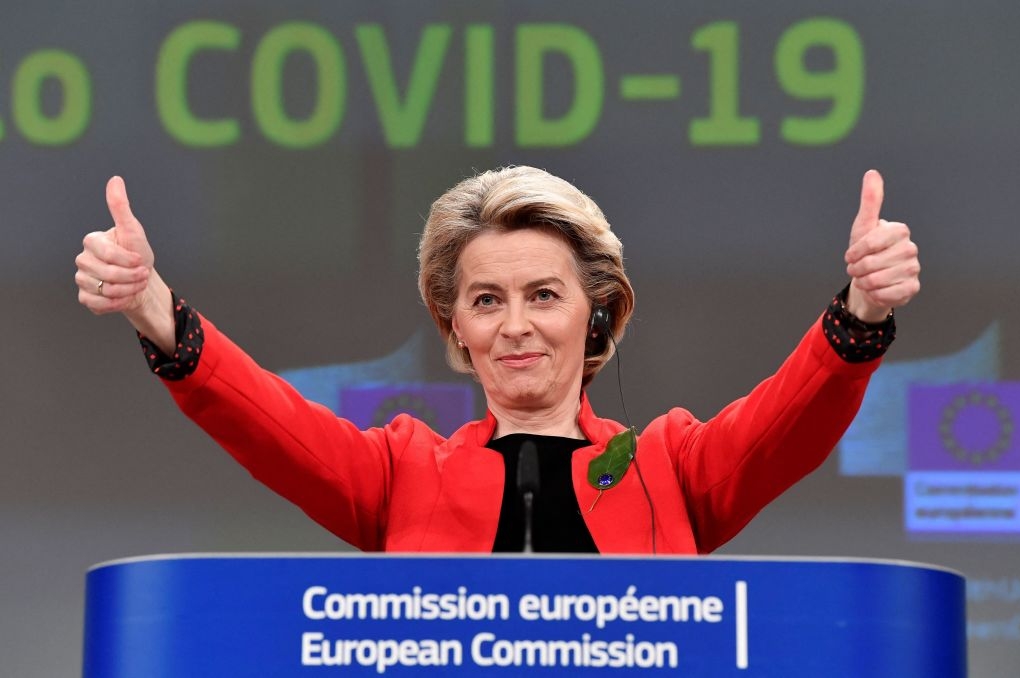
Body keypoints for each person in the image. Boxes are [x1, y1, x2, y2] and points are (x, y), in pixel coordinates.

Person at [75, 166, 920, 554]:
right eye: (486, 300)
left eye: (544, 295)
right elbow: (269, 421)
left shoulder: (672, 466)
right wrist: (152, 307)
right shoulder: (401, 470)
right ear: (458, 330)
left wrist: (864, 309)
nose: (515, 325)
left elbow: (790, 419)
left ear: (597, 315)